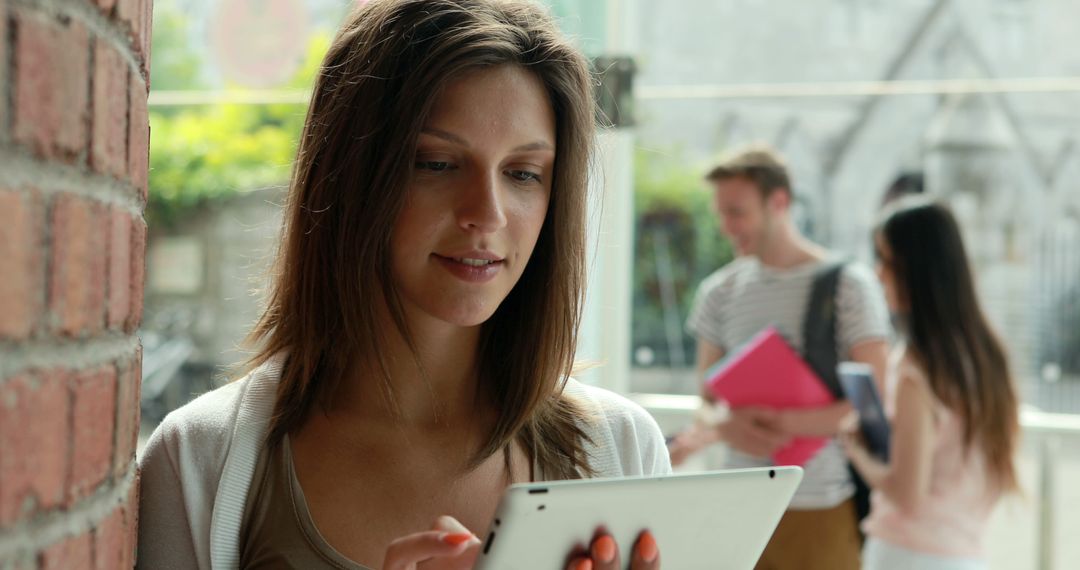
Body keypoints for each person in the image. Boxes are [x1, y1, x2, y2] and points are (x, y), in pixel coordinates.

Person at [136, 1, 670, 569]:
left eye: (523, 174)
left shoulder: (623, 450)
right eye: (437, 163)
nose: (486, 214)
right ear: (349, 177)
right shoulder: (199, 461)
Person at [667, 146, 890, 570]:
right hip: (737, 505)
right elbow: (707, 402)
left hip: (819, 506)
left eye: (737, 212)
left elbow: (872, 401)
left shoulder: (848, 285)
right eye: (721, 214)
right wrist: (725, 425)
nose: (726, 227)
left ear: (780, 202)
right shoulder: (719, 293)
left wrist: (777, 426)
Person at [841, 197, 1020, 570]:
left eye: (885, 261)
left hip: (907, 554)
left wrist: (857, 452)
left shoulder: (916, 369)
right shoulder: (988, 356)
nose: (877, 275)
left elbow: (907, 496)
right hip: (966, 554)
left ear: (914, 271)